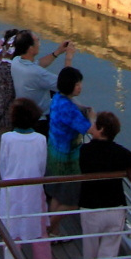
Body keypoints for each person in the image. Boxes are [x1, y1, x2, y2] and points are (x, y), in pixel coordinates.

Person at [79, 112, 131, 258]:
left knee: (90, 249)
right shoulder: (121, 153)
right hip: (114, 208)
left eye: (94, 123)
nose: (92, 125)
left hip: (90, 208)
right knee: (109, 251)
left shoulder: (84, 151)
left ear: (101, 129)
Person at [0, 98, 51, 259]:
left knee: (11, 233)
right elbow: (42, 167)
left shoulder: (7, 138)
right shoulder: (41, 139)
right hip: (34, 189)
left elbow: (3, 166)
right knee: (39, 233)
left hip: (11, 190)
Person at [46, 67, 92, 228]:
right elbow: (90, 130)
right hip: (68, 161)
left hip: (53, 154)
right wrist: (92, 117)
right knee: (73, 202)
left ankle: (53, 232)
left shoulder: (57, 98)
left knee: (57, 196)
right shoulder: (71, 110)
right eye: (77, 84)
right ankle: (48, 228)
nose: (80, 87)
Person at [10, 31, 74, 130]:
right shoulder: (37, 73)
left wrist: (57, 52)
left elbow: (38, 63)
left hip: (22, 116)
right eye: (37, 41)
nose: (40, 44)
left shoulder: (16, 61)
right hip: (38, 121)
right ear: (31, 48)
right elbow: (66, 84)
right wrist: (68, 58)